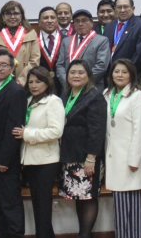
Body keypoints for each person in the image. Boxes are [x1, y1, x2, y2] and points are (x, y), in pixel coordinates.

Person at [12, 67, 64, 238]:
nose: (34, 85)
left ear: (47, 82)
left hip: (46, 161)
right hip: (30, 159)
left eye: (38, 81)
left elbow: (56, 132)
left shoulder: (53, 101)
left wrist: (27, 134)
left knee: (43, 207)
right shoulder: (28, 100)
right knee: (38, 206)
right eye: (31, 82)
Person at [59, 60, 107, 238]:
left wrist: (91, 158)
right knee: (79, 197)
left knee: (88, 197)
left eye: (81, 72)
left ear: (88, 76)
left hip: (86, 157)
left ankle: (85, 235)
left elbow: (97, 130)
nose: (76, 76)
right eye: (73, 72)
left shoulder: (95, 96)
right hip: (70, 155)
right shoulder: (65, 94)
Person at [0, 49, 26, 237]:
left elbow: (14, 129)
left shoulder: (16, 91)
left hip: (5, 159)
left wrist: (4, 159)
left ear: (11, 67)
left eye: (4, 65)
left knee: (10, 203)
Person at [103, 58, 141, 238]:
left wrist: (134, 159)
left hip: (130, 160)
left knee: (132, 211)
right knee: (119, 209)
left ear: (131, 75)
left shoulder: (137, 95)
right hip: (113, 157)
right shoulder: (107, 93)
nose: (119, 75)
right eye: (116, 71)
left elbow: (140, 129)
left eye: (124, 72)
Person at [56, 9, 111, 91]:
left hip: (92, 87)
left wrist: (82, 82)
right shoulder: (66, 41)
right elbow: (60, 65)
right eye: (77, 21)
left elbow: (101, 66)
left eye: (84, 20)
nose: (80, 24)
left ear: (92, 23)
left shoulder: (102, 41)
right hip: (69, 88)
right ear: (73, 24)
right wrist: (68, 83)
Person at [0, 1, 40, 87]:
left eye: (16, 13)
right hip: (1, 82)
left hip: (26, 82)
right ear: (3, 17)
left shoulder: (31, 34)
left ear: (21, 16)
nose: (12, 17)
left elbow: (35, 60)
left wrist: (21, 81)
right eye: (8, 14)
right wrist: (5, 81)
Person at [105, 0, 141, 72]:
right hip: (110, 74)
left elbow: (140, 54)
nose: (122, 10)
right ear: (115, 9)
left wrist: (126, 71)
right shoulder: (109, 26)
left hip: (131, 74)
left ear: (133, 8)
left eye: (126, 7)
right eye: (119, 7)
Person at [36, 6, 64, 95]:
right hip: (40, 86)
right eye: (45, 18)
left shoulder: (67, 40)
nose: (49, 21)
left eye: (52, 18)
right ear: (39, 22)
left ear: (57, 21)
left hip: (63, 86)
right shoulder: (33, 41)